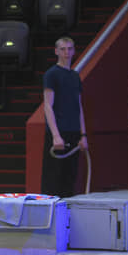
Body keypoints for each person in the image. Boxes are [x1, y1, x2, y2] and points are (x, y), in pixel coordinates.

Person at [42, 36, 89, 198]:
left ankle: (67, 219)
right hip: (58, 133)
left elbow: (79, 106)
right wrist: (56, 136)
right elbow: (48, 106)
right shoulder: (51, 74)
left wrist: (83, 135)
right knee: (53, 179)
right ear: (56, 51)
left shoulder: (75, 76)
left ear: (74, 51)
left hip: (74, 132)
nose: (66, 52)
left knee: (70, 179)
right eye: (63, 49)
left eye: (69, 49)